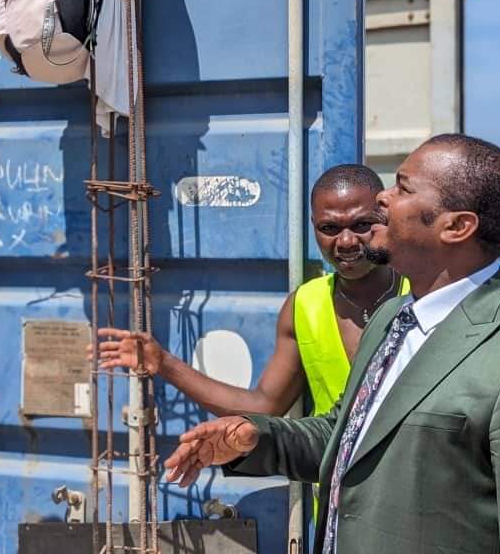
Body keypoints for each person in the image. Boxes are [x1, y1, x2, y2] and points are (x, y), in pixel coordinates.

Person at [164, 134, 500, 554]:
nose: (382, 198)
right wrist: (256, 438)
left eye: (403, 188)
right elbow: (347, 438)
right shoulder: (394, 318)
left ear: (456, 226)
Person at [96, 165, 405, 419]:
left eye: (362, 224)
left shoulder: (423, 291)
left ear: (385, 217)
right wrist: (164, 363)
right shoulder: (305, 306)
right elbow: (265, 407)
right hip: (337, 494)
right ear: (313, 227)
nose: (347, 241)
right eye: (329, 228)